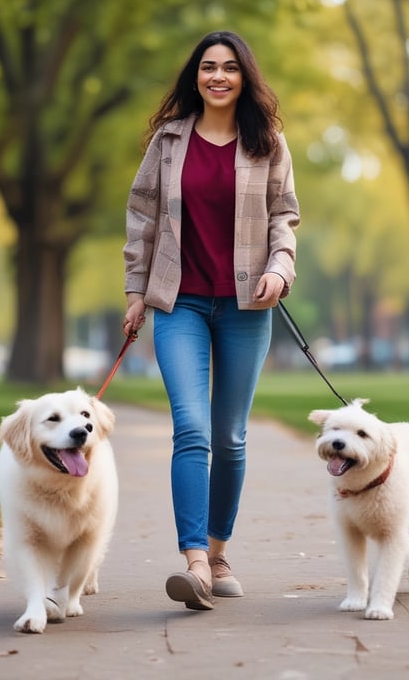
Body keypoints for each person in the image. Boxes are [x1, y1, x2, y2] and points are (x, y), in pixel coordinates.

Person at [122, 31, 299, 611]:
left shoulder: (267, 141)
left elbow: (284, 217)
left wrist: (280, 268)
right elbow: (142, 217)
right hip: (180, 304)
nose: (217, 77)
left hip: (248, 305)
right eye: (207, 67)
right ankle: (196, 561)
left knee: (230, 436)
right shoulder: (168, 141)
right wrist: (134, 293)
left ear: (244, 76)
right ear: (194, 76)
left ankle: (220, 553)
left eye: (228, 68)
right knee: (191, 429)